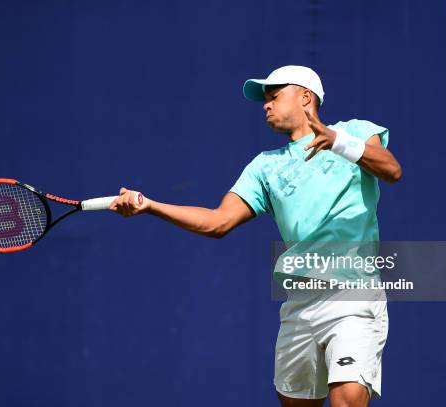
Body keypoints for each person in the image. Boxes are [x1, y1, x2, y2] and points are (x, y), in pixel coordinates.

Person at [109, 65, 402, 407]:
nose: (266, 105)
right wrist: (151, 205)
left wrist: (337, 142)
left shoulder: (353, 131)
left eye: (274, 97)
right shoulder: (265, 166)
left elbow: (391, 169)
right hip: (300, 302)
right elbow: (218, 222)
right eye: (265, 100)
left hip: (354, 295)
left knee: (347, 399)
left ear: (305, 97)